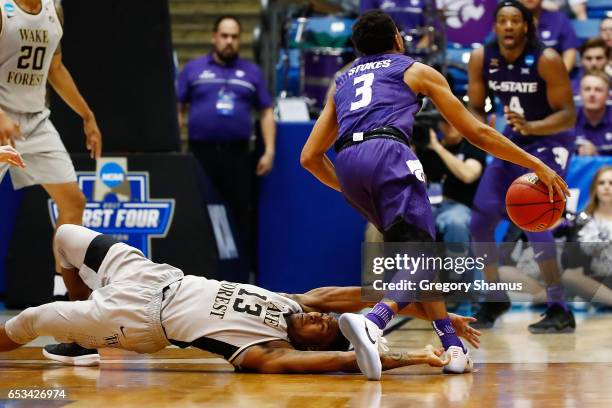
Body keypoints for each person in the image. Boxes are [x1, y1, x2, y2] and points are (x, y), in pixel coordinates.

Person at [301, 9, 568, 380]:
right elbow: (477, 132)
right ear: (398, 39)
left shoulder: (341, 79)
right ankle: (374, 322)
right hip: (388, 152)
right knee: (424, 257)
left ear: (358, 48)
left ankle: (453, 349)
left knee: (416, 263)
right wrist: (535, 165)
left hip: (346, 163)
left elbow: (310, 157)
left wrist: (351, 184)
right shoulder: (413, 69)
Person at [0, 224, 483, 375]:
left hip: (141, 320)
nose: (317, 316)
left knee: (31, 319)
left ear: (307, 344)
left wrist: (417, 356)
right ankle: (83, 334)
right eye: (321, 317)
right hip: (153, 274)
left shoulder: (265, 352)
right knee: (64, 235)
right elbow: (363, 293)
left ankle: (84, 324)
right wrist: (441, 312)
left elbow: (346, 360)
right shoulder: (293, 303)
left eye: (319, 326)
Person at [0, 0, 103, 358]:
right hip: (1, 116)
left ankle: (74, 316)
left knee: (73, 202)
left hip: (35, 121)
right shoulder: (2, 9)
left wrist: (87, 115)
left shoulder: (53, 8)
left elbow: (55, 67)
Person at [467, 0, 576, 332]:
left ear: (526, 26)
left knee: (535, 221)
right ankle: (495, 296)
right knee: (480, 222)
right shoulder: (482, 57)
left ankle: (559, 308)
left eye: (516, 20)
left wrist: (533, 126)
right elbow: (473, 107)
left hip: (550, 139)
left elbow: (568, 115)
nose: (509, 26)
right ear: (496, 26)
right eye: (503, 20)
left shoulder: (547, 59)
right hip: (513, 139)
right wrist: (481, 132)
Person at [176, 15, 276, 279]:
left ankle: (240, 276)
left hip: (239, 155)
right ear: (214, 37)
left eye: (234, 36)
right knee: (199, 210)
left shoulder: (251, 72)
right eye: (224, 35)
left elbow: (266, 111)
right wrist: (177, 145)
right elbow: (178, 107)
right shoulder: (194, 69)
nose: (229, 41)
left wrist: (269, 150)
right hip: (200, 153)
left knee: (241, 213)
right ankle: (198, 272)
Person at [420, 118, 487, 252]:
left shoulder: (472, 146)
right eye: (444, 121)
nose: (450, 125)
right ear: (438, 123)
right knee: (411, 218)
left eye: (453, 120)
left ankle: (457, 269)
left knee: (455, 222)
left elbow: (468, 175)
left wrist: (439, 148)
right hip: (430, 205)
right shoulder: (427, 148)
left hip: (461, 206)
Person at [520, 0, 579, 72]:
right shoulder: (508, 21)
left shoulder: (559, 19)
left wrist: (559, 77)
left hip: (553, 75)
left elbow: (570, 51)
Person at [575, 71, 612, 156]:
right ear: (580, 93)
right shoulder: (567, 120)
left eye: (598, 90)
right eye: (587, 89)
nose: (592, 94)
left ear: (608, 95)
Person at [571, 38, 611, 106]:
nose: (594, 63)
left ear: (607, 60)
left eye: (599, 58)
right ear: (581, 60)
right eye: (588, 58)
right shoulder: (570, 87)